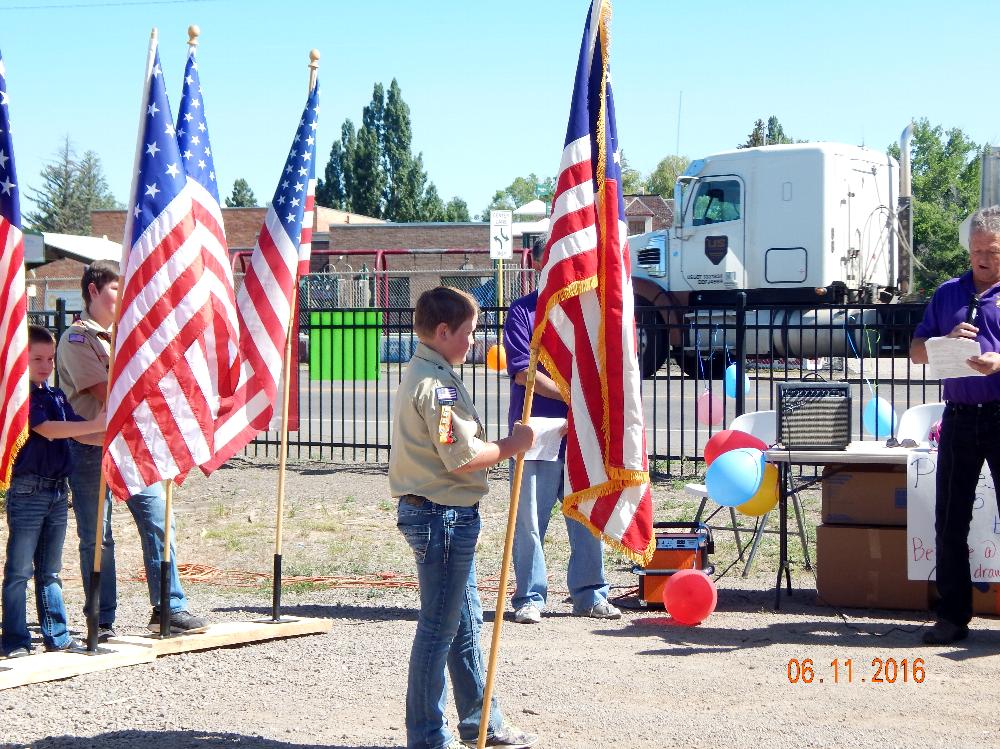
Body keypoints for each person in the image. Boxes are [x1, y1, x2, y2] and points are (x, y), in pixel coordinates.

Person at [389, 286, 539, 749]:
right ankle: (428, 736)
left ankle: (481, 721)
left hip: (439, 513)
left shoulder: (425, 372)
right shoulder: (439, 386)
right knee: (440, 627)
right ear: (442, 331)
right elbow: (461, 456)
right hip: (443, 516)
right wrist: (512, 447)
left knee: (464, 621)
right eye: (470, 333)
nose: (475, 342)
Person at [56, 260, 205, 638]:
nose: (124, 297)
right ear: (93, 290)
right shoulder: (77, 339)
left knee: (158, 521)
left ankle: (169, 607)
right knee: (96, 535)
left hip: (135, 447)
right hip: (92, 448)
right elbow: (109, 391)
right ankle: (101, 618)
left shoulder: (128, 336)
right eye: (115, 289)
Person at [505, 237, 621, 625]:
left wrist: (587, 405)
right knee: (529, 522)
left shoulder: (587, 314)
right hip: (536, 431)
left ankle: (590, 594)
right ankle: (530, 597)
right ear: (539, 263)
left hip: (580, 433)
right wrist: (578, 398)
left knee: (585, 515)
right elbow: (525, 373)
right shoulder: (524, 311)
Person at [910, 205, 1000, 645]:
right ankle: (952, 616)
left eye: (993, 251)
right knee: (950, 517)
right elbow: (915, 350)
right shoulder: (948, 293)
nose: (983, 260)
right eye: (977, 251)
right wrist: (942, 345)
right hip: (960, 417)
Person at [2, 325, 106, 657]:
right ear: (21, 360)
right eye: (37, 359)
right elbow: (48, 429)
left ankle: (57, 634)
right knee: (20, 570)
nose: (46, 365)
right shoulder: (23, 398)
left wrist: (107, 432)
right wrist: (97, 424)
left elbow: (76, 432)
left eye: (49, 358)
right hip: (28, 490)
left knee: (51, 570)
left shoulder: (55, 395)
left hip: (57, 492)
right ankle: (15, 638)